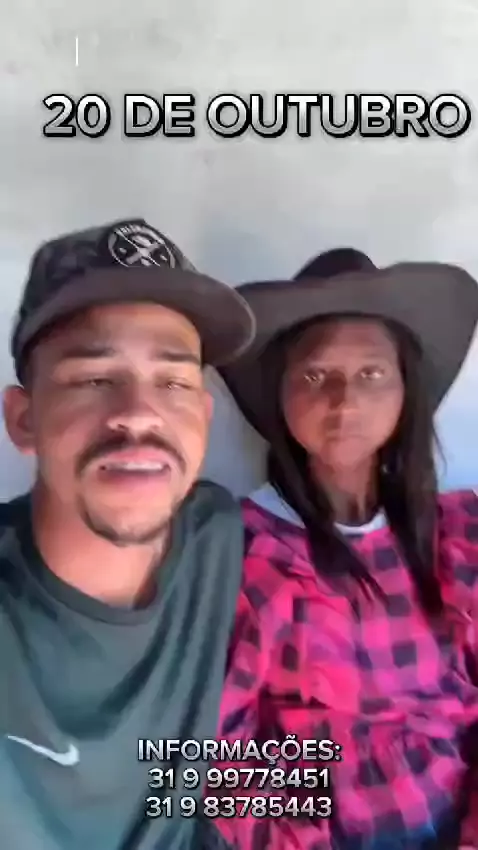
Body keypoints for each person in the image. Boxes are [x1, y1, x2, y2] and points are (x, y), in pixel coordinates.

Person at [0, 217, 256, 850]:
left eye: (173, 382)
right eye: (94, 379)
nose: (140, 414)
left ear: (203, 417)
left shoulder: (216, 536)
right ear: (23, 420)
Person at [215, 248, 478, 850]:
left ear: (406, 389)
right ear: (280, 392)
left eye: (372, 374)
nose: (344, 401)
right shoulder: (237, 548)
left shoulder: (461, 532)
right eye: (315, 375)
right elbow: (221, 755)